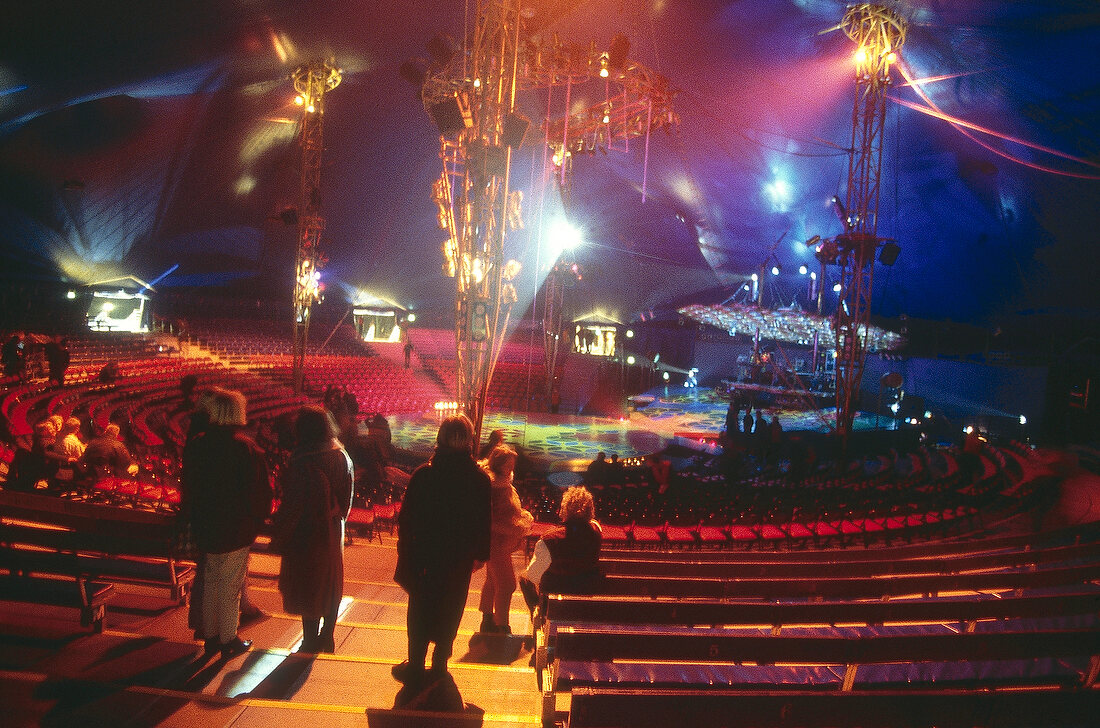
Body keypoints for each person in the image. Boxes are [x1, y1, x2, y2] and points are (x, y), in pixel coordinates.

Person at [393, 414, 491, 685]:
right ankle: (439, 663)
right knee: (452, 605)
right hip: (459, 557)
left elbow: (407, 518)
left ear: (440, 438)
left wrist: (406, 549)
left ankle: (415, 664)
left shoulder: (425, 474)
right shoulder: (479, 479)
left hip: (425, 553)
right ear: (470, 440)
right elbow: (484, 521)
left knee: (421, 607)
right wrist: (481, 555)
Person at [182, 389, 272, 659]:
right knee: (230, 585)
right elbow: (260, 494)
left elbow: (189, 486)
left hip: (205, 524)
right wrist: (256, 522)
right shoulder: (246, 448)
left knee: (210, 580)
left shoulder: (197, 443)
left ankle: (210, 636)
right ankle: (228, 639)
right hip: (236, 528)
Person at [272, 406, 354, 653]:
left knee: (308, 585)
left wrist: (281, 534)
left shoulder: (302, 460)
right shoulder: (342, 455)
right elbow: (346, 501)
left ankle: (309, 638)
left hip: (304, 533)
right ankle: (327, 636)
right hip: (332, 530)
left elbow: (293, 503)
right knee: (330, 583)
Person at [477, 445, 533, 634]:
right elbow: (489, 519)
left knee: (493, 580)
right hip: (496, 542)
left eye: (512, 465)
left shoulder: (503, 482)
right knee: (507, 584)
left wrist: (522, 516)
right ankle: (501, 625)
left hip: (500, 541)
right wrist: (515, 528)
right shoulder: (494, 486)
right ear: (498, 464)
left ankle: (487, 619)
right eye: (508, 465)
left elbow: (509, 510)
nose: (511, 469)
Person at [520, 485, 602, 610]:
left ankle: (537, 612)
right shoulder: (596, 531)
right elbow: (592, 521)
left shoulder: (549, 539)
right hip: (587, 595)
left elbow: (533, 576)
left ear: (563, 509)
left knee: (525, 578)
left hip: (555, 604)